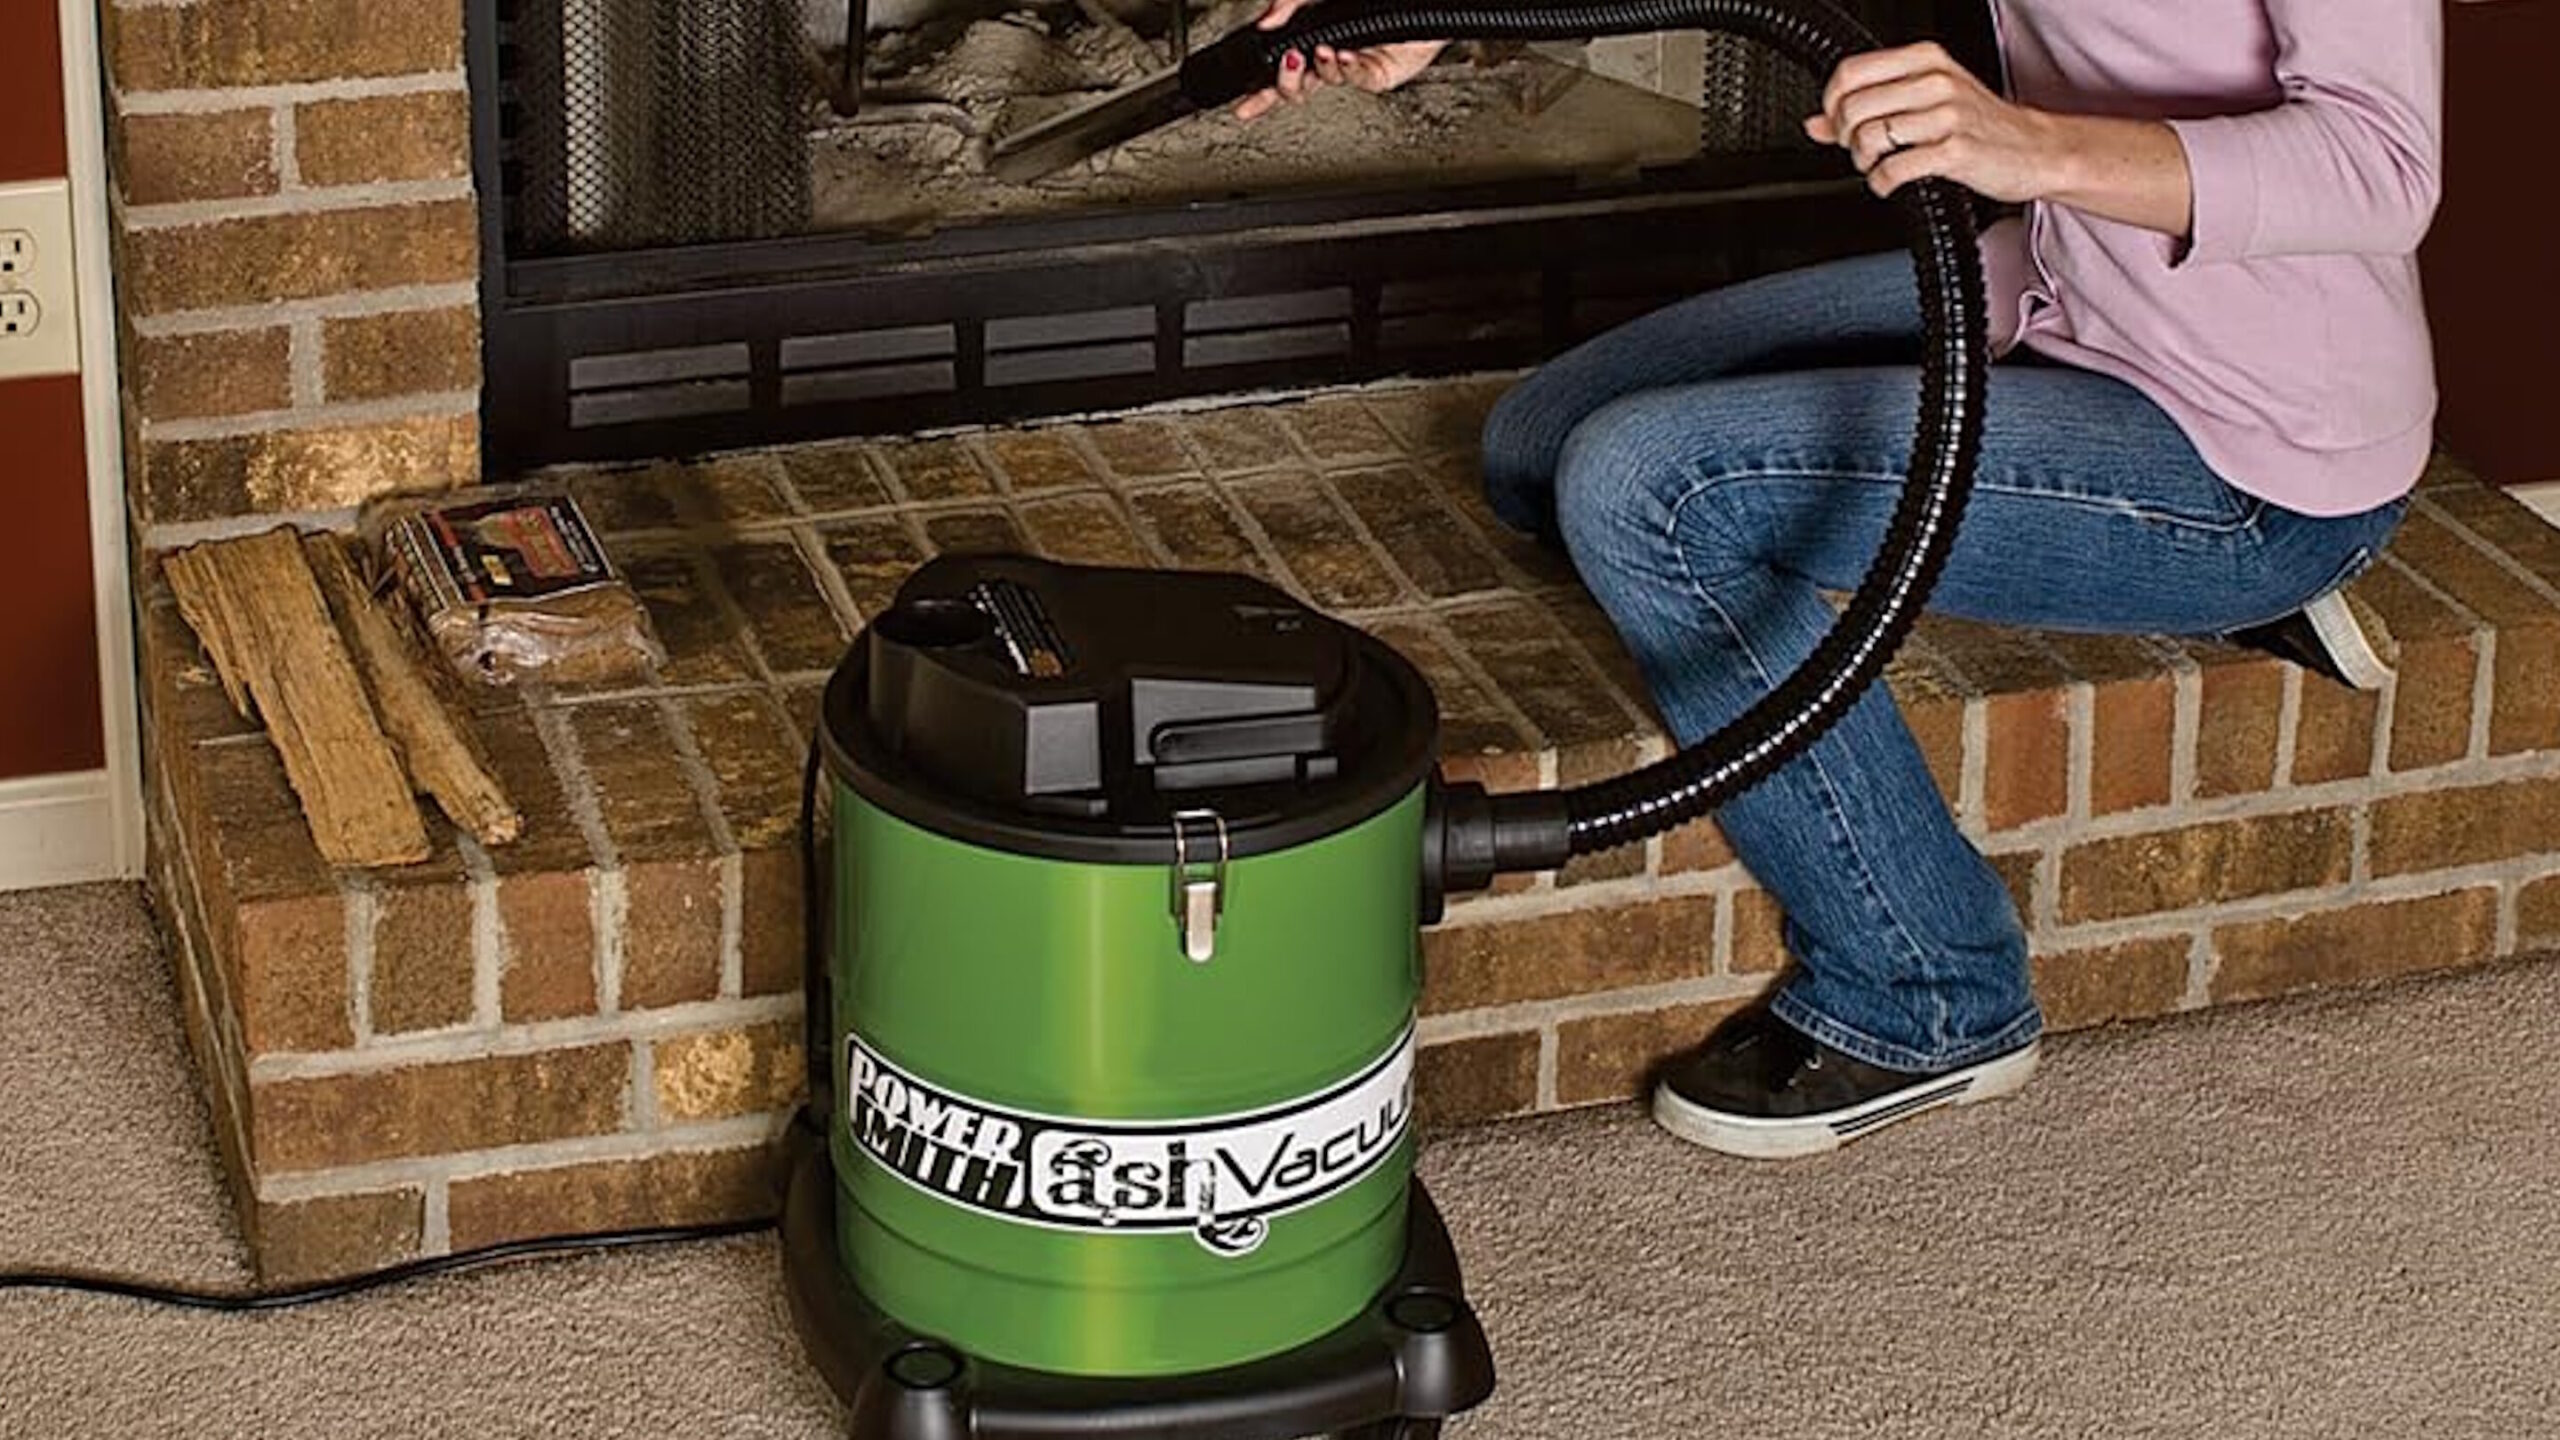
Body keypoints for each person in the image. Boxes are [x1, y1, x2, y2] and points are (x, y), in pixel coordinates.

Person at [1238, 0, 2443, 1158]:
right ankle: (2106, 555)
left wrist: (2022, 143)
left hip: (2246, 446)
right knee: (1541, 445)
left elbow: (2384, 166)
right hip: (2062, 292)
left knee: (1642, 490)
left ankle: (1926, 989)